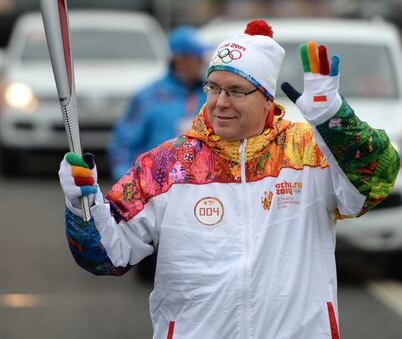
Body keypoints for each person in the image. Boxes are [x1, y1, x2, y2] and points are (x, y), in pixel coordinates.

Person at [59, 19, 399, 339]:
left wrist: (332, 119)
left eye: (236, 90)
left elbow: (378, 179)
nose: (220, 103)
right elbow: (105, 255)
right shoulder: (167, 165)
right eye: (214, 87)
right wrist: (81, 207)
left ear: (267, 99)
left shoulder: (308, 152)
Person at [107, 25, 210, 182]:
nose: (202, 61)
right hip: (155, 186)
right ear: (179, 59)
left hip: (200, 187)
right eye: (196, 56)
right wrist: (129, 181)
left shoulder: (210, 94)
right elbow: (123, 143)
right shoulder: (149, 97)